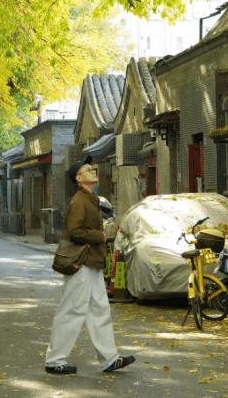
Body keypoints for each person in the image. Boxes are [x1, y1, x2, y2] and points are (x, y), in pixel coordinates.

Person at [45, 156, 135, 376]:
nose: (93, 171)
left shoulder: (90, 198)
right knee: (72, 311)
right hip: (81, 263)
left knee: (99, 310)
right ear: (79, 178)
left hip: (91, 263)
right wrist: (101, 236)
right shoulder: (79, 201)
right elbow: (74, 231)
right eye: (88, 170)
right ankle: (54, 360)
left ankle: (109, 359)